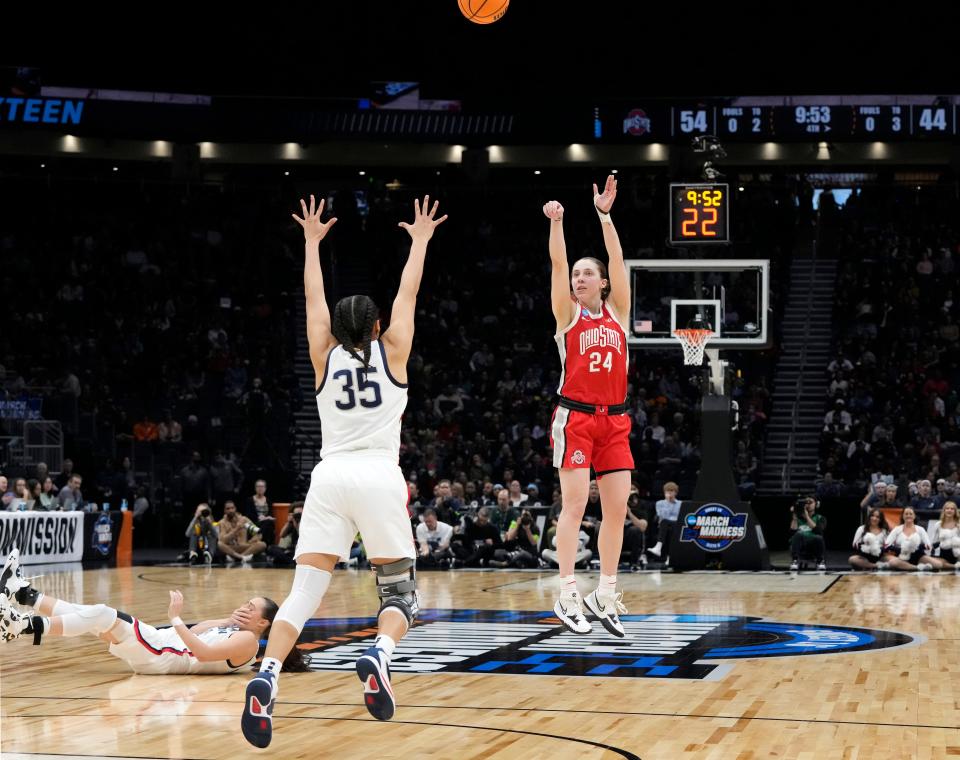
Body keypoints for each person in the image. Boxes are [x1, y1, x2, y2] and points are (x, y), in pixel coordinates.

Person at [241, 194, 446, 747]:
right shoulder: (395, 349)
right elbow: (410, 291)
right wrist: (420, 240)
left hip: (329, 478)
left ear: (337, 327)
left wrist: (311, 243)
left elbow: (312, 298)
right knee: (399, 595)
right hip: (379, 476)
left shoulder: (321, 354)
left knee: (305, 592)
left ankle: (268, 676)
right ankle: (379, 654)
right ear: (378, 327)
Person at [543, 175, 632, 638]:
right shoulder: (568, 314)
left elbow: (617, 259)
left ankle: (605, 592)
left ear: (602, 283)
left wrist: (603, 215)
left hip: (615, 421)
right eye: (577, 274)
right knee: (575, 506)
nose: (579, 278)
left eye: (587, 273)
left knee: (616, 509)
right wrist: (558, 224)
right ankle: (567, 591)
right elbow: (557, 265)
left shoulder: (618, 313)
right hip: (574, 417)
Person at [0, 548, 305, 674]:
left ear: (263, 622)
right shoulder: (234, 630)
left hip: (162, 655)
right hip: (159, 644)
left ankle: (22, 626)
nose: (242, 608)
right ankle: (24, 594)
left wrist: (175, 618)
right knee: (90, 614)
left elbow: (200, 652)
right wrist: (225, 619)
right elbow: (198, 634)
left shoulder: (249, 643)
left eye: (249, 608)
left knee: (102, 614)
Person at [878, 507, 934, 571]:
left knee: (937, 565)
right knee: (893, 562)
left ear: (914, 516)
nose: (908, 516)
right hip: (902, 557)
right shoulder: (897, 529)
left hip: (918, 556)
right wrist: (899, 549)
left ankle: (910, 566)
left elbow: (928, 545)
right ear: (903, 516)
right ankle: (918, 567)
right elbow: (886, 545)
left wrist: (917, 548)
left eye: (910, 514)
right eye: (906, 514)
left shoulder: (920, 529)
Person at [788, 497, 827, 571]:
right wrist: (794, 517)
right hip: (800, 545)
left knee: (818, 537)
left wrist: (806, 517)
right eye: (806, 502)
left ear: (816, 504)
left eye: (810, 502)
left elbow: (819, 531)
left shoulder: (820, 518)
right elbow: (792, 533)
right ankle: (795, 561)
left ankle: (820, 562)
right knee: (798, 534)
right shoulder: (798, 518)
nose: (808, 505)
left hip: (814, 545)